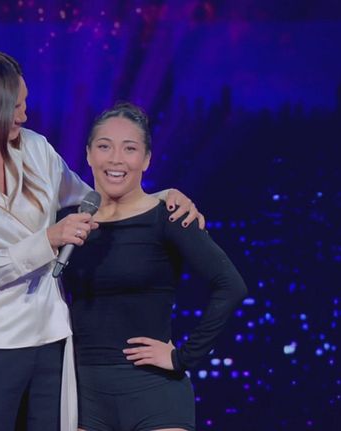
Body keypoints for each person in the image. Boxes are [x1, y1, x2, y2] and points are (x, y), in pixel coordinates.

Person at [0, 46, 205, 431]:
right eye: (15, 107)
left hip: (52, 339)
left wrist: (161, 197)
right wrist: (47, 240)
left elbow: (94, 198)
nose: (24, 115)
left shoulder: (36, 148)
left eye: (24, 103)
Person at [59, 102, 249, 431]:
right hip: (84, 393)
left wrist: (183, 357)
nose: (116, 159)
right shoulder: (68, 224)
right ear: (88, 154)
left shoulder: (169, 216)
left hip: (154, 393)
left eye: (129, 149)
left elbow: (231, 286)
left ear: (146, 159)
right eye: (104, 146)